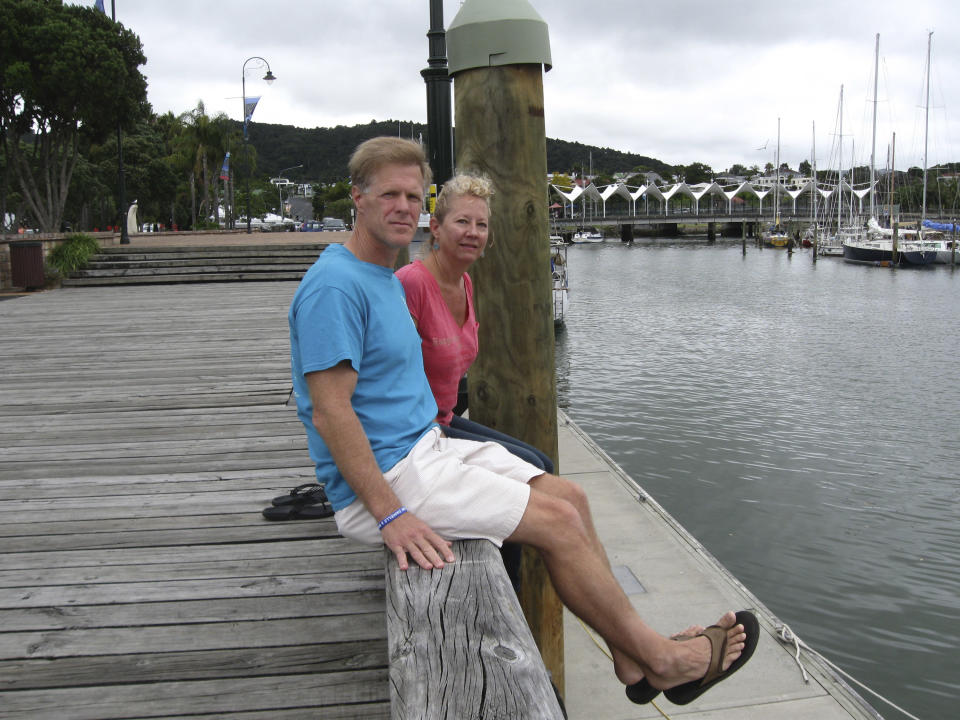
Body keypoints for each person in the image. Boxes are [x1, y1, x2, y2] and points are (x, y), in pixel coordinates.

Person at [288, 136, 757, 707]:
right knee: (556, 522)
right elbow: (329, 410)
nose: (404, 207)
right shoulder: (335, 287)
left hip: (425, 448)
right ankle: (662, 659)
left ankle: (630, 657)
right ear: (357, 199)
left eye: (413, 194)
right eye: (389, 193)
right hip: (389, 483)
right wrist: (391, 516)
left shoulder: (383, 274)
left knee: (571, 498)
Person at [395, 172, 554, 473]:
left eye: (481, 225)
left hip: (443, 417)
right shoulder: (411, 284)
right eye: (462, 221)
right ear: (436, 229)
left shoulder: (464, 282)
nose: (473, 232)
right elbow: (386, 375)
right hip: (414, 432)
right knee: (533, 468)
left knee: (542, 462)